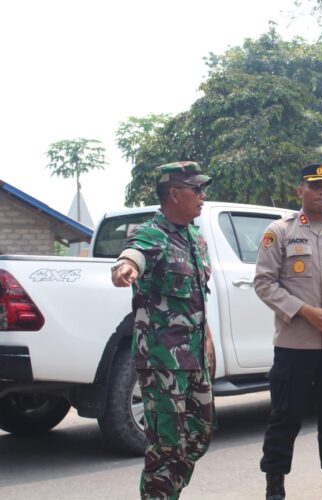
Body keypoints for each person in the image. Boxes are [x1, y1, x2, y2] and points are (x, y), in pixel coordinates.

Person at [254, 163, 322, 500]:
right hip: (294, 347)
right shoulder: (280, 232)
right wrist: (303, 311)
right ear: (299, 191)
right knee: (284, 420)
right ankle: (275, 489)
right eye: (315, 185)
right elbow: (263, 283)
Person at [111, 161, 215, 500]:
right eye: (196, 189)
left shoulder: (195, 238)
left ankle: (167, 493)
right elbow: (134, 254)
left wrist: (209, 341)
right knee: (167, 447)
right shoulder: (151, 233)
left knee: (198, 437)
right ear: (174, 193)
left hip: (195, 359)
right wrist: (125, 266)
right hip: (162, 363)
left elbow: (198, 298)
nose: (203, 195)